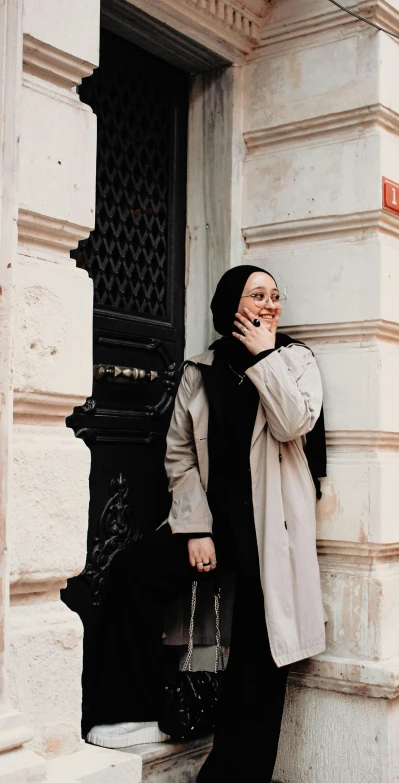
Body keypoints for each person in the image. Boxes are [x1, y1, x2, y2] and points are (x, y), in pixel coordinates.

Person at [86, 265, 327, 782]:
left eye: (275, 296)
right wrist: (196, 527)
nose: (270, 305)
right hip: (214, 526)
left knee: (261, 657)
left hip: (270, 529)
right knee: (133, 572)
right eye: (257, 295)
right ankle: (132, 713)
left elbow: (293, 423)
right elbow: (180, 456)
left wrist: (264, 355)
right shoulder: (201, 368)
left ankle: (233, 776)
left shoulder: (296, 360)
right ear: (228, 305)